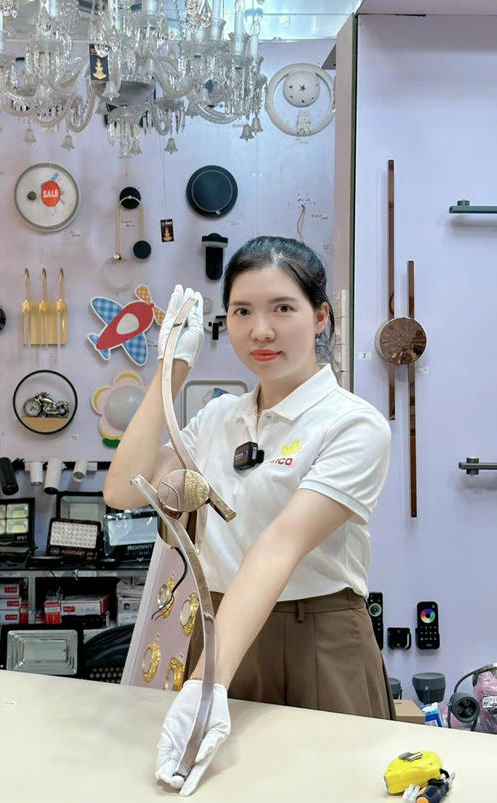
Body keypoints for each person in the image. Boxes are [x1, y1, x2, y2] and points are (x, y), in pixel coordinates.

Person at [104, 236, 395, 796]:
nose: (260, 330)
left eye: (282, 308)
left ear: (320, 317)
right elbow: (123, 489)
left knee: (331, 787)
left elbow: (281, 543)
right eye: (242, 312)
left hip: (318, 638)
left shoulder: (353, 425)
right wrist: (170, 371)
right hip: (219, 630)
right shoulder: (218, 418)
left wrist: (204, 685)